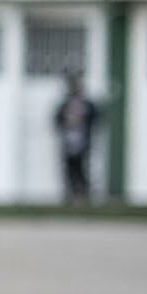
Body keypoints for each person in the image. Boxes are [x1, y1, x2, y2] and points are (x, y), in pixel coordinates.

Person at [53, 74, 102, 206]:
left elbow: (96, 119)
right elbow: (57, 120)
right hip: (68, 142)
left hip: (83, 142)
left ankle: (84, 195)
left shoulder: (87, 105)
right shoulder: (65, 105)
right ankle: (70, 195)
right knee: (69, 169)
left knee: (83, 169)